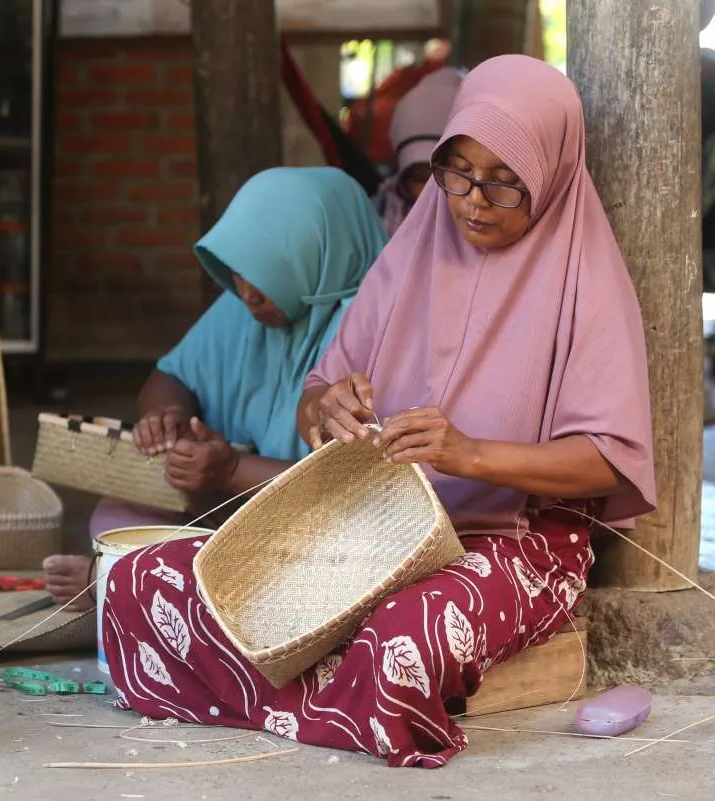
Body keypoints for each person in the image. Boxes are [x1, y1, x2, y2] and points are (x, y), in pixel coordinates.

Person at [100, 55, 655, 769]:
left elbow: (609, 457)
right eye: (457, 171)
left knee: (403, 638)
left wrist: (469, 453)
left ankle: (306, 683)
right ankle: (340, 694)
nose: (473, 200)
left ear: (549, 169)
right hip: (375, 524)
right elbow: (317, 393)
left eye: (504, 180)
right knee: (141, 579)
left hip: (516, 543)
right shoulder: (409, 255)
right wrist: (323, 408)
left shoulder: (587, 282)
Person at [42, 167, 388, 609]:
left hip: (321, 532)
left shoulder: (373, 323)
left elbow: (356, 487)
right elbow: (172, 376)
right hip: (227, 510)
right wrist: (164, 416)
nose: (247, 294)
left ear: (319, 255)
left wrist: (231, 472)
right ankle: (148, 581)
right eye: (238, 274)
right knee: (118, 515)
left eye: (267, 272)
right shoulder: (243, 307)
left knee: (300, 572)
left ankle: (126, 583)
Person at [373, 66, 465, 237]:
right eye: (421, 178)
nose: (432, 191)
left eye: (448, 176)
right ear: (403, 181)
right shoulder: (380, 224)